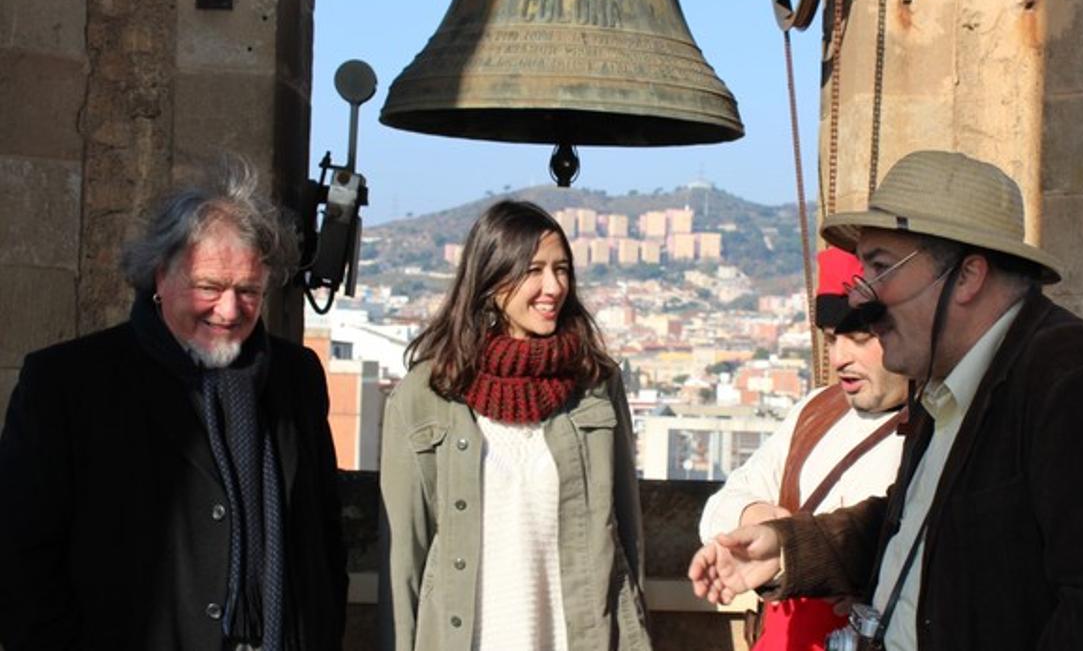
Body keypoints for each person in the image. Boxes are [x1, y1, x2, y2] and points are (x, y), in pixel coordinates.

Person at [689, 150, 1083, 650]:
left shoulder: (1078, 384)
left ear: (968, 277)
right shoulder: (949, 383)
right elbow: (921, 526)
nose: (860, 298)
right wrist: (789, 549)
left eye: (880, 268)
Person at [0, 157, 348, 650]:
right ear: (160, 276)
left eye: (248, 291)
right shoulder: (68, 383)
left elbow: (322, 534)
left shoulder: (296, 378)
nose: (229, 310)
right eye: (209, 287)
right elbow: (21, 559)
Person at [378, 200, 651, 650]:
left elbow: (627, 532)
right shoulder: (423, 396)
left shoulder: (596, 385)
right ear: (492, 279)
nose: (553, 287)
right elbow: (404, 558)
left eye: (561, 270)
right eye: (534, 270)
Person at [698, 247, 908, 650]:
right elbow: (720, 508)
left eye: (860, 338)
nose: (840, 357)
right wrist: (760, 519)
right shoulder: (815, 409)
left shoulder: (931, 427)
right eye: (832, 340)